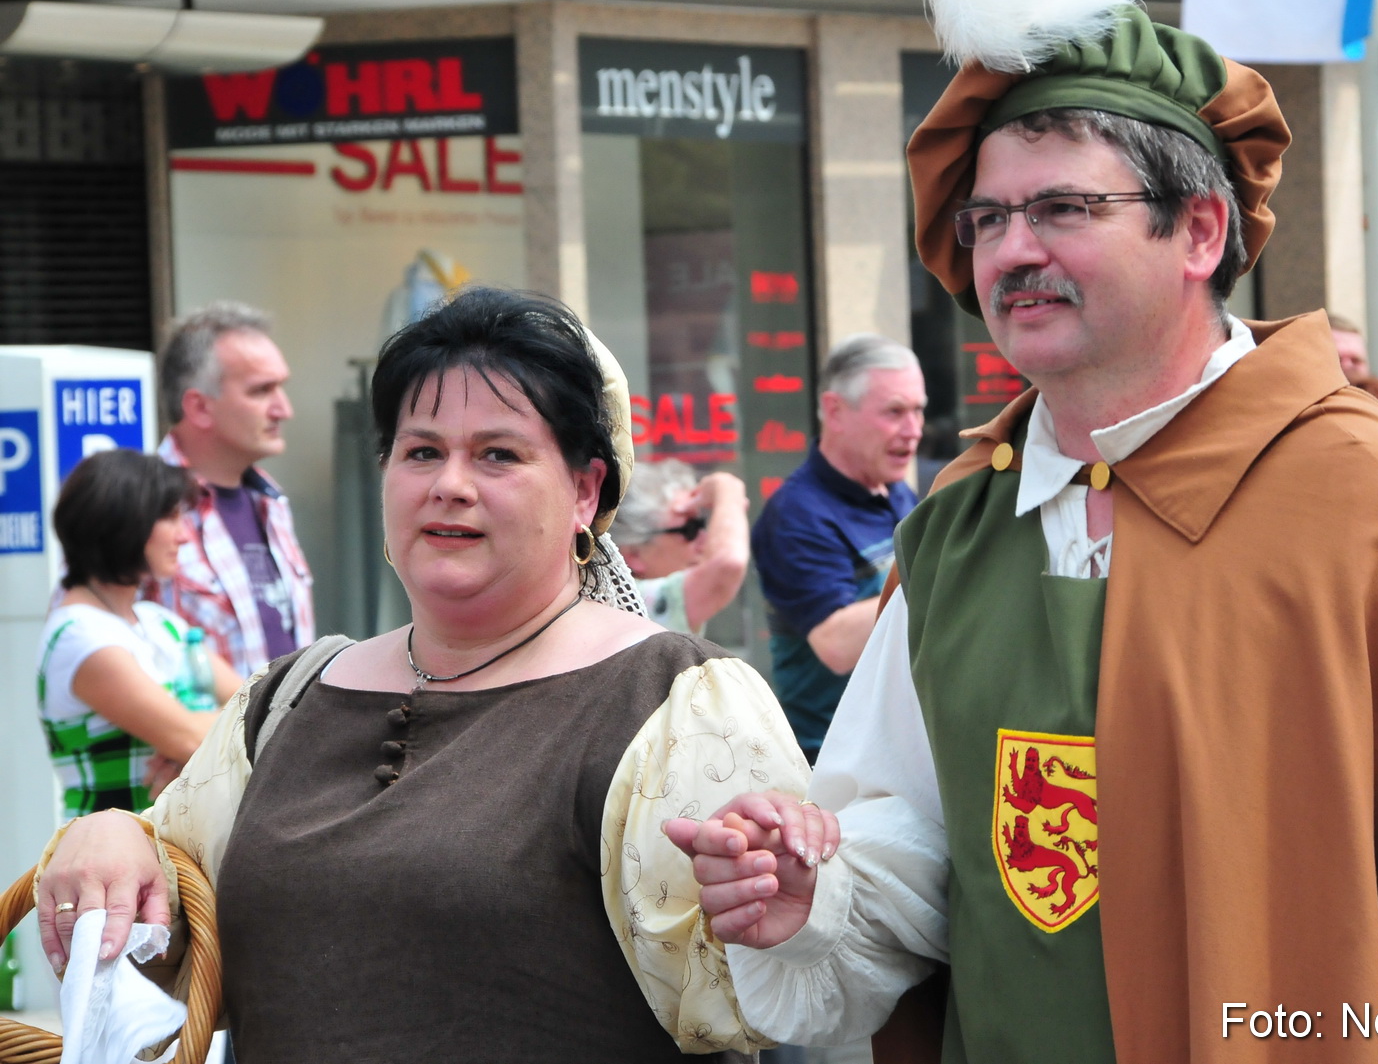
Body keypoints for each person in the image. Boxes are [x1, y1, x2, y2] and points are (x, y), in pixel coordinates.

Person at [668, 0, 1378, 1061]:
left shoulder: (1375, 513)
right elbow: (915, 838)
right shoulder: (964, 530)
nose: (1012, 251)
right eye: (989, 217)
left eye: (1063, 207)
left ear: (1199, 229)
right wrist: (811, 886)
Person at [34, 289, 823, 1062]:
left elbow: (760, 996)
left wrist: (775, 919)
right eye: (420, 451)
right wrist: (110, 834)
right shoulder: (287, 697)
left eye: (498, 453)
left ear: (585, 489)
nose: (450, 482)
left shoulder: (676, 700)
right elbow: (175, 918)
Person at [37, 449, 243, 820]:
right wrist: (197, 740)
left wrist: (194, 748)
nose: (183, 535)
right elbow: (192, 737)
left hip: (170, 850)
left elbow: (256, 706)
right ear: (121, 522)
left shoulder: (159, 622)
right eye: (169, 517)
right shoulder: (79, 636)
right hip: (105, 857)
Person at [749, 333, 923, 761]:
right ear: (835, 410)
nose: (914, 430)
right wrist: (952, 571)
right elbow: (836, 645)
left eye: (919, 411)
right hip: (831, 766)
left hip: (904, 750)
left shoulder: (896, 491)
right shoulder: (796, 513)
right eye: (895, 412)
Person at [154, 302, 313, 676]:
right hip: (200, 734)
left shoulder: (271, 502)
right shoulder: (137, 507)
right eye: (261, 391)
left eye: (281, 388)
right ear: (199, 407)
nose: (283, 409)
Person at [612, 459, 751, 636]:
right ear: (634, 554)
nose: (705, 540)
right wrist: (728, 489)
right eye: (689, 530)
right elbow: (727, 564)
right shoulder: (634, 600)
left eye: (701, 524)